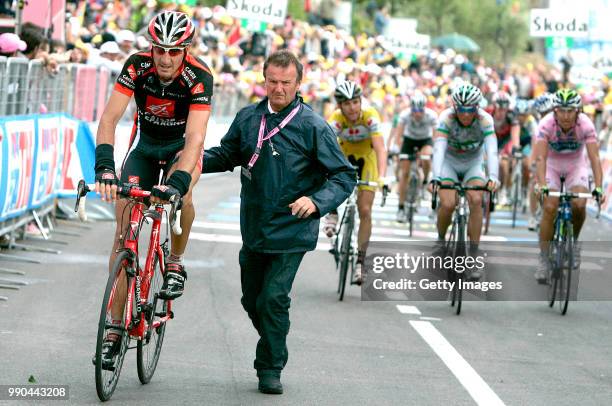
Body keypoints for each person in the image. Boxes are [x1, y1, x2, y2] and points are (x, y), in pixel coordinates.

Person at [201, 50, 355, 394]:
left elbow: (344, 176)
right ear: (264, 80)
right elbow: (227, 155)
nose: (279, 89)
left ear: (298, 84)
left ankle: (270, 366)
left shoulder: (313, 126)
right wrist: (191, 161)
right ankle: (275, 336)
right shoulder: (247, 118)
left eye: (286, 83)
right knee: (251, 300)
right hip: (255, 228)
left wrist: (316, 202)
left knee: (273, 299)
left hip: (293, 230)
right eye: (273, 81)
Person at [93, 11, 213, 368]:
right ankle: (114, 328)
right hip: (145, 148)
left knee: (185, 192)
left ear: (185, 51)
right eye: (159, 49)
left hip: (180, 148)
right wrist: (104, 167)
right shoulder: (136, 65)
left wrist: (177, 182)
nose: (165, 58)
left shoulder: (199, 76)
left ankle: (174, 261)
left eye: (174, 51)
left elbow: (195, 138)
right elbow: (109, 119)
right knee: (123, 234)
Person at [533, 89, 605, 283]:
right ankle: (544, 258)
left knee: (580, 205)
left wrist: (598, 186)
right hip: (551, 166)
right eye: (561, 110)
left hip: (576, 166)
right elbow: (540, 158)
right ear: (555, 111)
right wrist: (540, 184)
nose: (565, 115)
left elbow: (594, 157)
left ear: (578, 111)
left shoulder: (586, 125)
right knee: (549, 206)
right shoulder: (546, 124)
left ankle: (573, 243)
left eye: (570, 111)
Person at [429, 84, 499, 281]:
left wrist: (493, 176)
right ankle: (441, 241)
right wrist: (435, 176)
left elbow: (492, 150)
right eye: (461, 109)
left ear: (477, 107)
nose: (466, 114)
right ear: (455, 108)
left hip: (473, 164)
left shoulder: (485, 120)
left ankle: (474, 255)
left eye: (470, 110)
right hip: (448, 163)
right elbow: (439, 149)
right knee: (448, 203)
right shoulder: (446, 118)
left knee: (476, 200)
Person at [323, 80, 388, 285]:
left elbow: (380, 148)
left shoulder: (370, 116)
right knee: (328, 173)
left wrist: (383, 177)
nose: (352, 108)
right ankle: (332, 212)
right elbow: (325, 149)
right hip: (343, 155)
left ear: (361, 102)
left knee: (365, 210)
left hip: (366, 160)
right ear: (340, 106)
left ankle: (361, 261)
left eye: (355, 102)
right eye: (347, 104)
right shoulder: (335, 119)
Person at [395, 93, 438, 222]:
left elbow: (436, 137)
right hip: (409, 140)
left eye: (420, 111)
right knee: (405, 174)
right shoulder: (404, 115)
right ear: (411, 109)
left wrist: (434, 151)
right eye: (415, 111)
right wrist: (399, 151)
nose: (418, 114)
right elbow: (399, 136)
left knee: (426, 156)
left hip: (425, 140)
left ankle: (425, 181)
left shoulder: (431, 116)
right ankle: (401, 208)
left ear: (424, 109)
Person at [490, 91, 520, 206]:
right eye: (499, 109)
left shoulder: (511, 116)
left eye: (504, 109)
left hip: (505, 141)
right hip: (492, 139)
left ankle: (504, 191)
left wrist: (515, 148)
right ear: (494, 107)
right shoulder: (488, 114)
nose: (502, 112)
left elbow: (515, 136)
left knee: (505, 163)